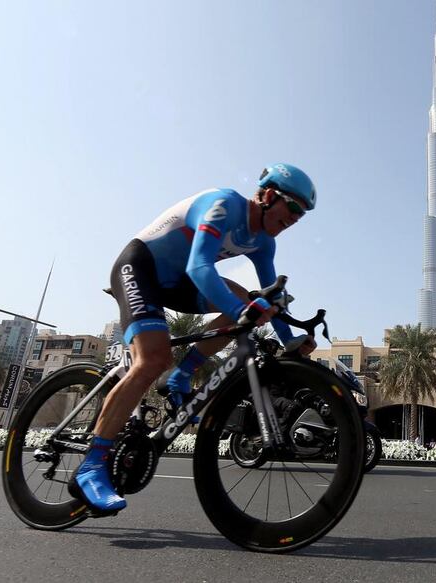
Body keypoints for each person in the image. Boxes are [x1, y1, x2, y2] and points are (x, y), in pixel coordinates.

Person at [69, 163, 318, 514]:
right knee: (153, 359)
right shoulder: (224, 204)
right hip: (141, 268)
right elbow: (199, 266)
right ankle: (91, 466)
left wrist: (291, 340)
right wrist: (239, 309)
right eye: (292, 207)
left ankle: (182, 375)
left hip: (179, 285)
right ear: (267, 195)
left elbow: (269, 299)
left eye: (302, 215)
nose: (295, 218)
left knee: (251, 301)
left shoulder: (264, 243)